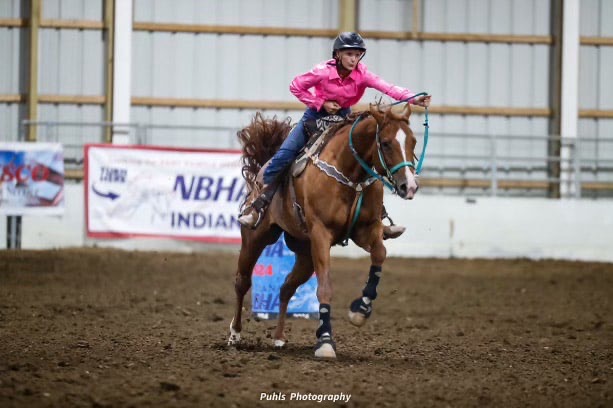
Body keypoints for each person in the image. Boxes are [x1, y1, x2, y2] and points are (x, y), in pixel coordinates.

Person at [239, 32, 431, 238]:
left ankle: (378, 218)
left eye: (357, 55)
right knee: (285, 155)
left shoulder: (363, 74)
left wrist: (413, 99)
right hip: (314, 118)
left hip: (343, 118)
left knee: (363, 161)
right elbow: (296, 86)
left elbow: (388, 88)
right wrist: (321, 103)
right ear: (338, 55)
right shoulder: (322, 71)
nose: (354, 59)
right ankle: (257, 206)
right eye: (349, 54)